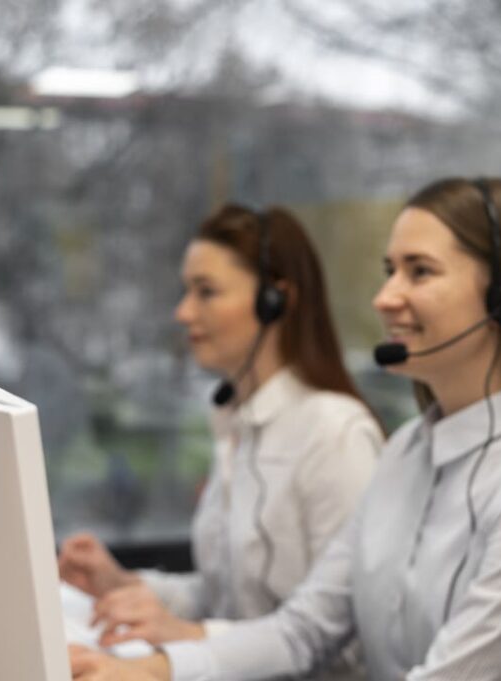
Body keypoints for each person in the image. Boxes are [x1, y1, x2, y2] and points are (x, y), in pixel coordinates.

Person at [68, 177, 501, 681]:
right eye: (391, 271)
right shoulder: (407, 453)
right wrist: (157, 668)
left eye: (420, 272)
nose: (385, 299)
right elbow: (303, 631)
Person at [59, 204, 383, 668]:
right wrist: (123, 584)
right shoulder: (238, 425)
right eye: (186, 291)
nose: (183, 312)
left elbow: (344, 637)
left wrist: (193, 638)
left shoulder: (336, 434)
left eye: (205, 292)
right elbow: (221, 597)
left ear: (277, 301)